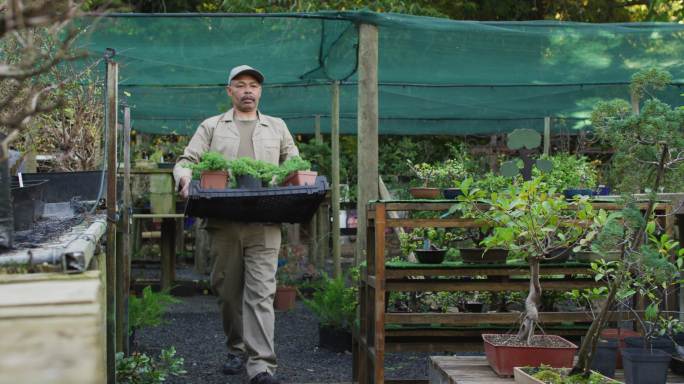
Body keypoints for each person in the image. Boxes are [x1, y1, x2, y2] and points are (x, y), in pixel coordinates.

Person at [173, 65, 299, 384]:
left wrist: (290, 179)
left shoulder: (277, 127)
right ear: (229, 91)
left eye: (253, 85)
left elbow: (295, 164)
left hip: (265, 222)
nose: (247, 90)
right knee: (228, 292)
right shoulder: (212, 127)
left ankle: (261, 366)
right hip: (224, 222)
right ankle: (236, 346)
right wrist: (185, 178)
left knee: (260, 293)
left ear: (260, 92)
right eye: (240, 85)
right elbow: (186, 161)